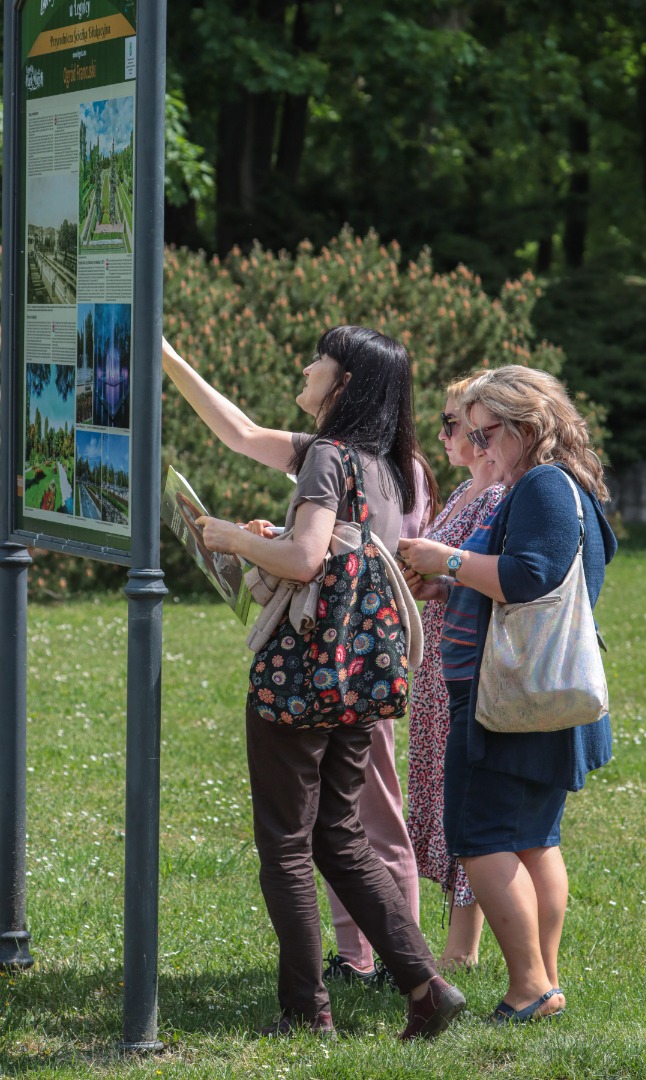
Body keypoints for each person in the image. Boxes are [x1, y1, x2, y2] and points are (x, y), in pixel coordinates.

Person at [162, 327, 466, 1040]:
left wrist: (232, 537)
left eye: (319, 359)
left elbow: (302, 560)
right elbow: (239, 433)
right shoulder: (392, 467)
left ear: (346, 383)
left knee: (287, 846)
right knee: (341, 838)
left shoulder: (327, 458)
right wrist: (169, 356)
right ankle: (426, 986)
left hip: (302, 678)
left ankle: (307, 1015)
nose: (307, 365)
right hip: (362, 678)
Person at [398, 365, 616, 1024]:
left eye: (486, 431)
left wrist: (447, 562)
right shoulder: (561, 484)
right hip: (533, 697)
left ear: (526, 427)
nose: (478, 443)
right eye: (469, 431)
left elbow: (529, 577)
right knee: (532, 840)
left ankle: (530, 986)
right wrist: (451, 585)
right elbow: (522, 581)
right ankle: (541, 981)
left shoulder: (544, 486)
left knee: (482, 836)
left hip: (510, 702)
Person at [322, 452, 438, 987]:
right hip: (334, 656)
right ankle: (355, 955)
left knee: (375, 810)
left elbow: (378, 556)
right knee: (336, 816)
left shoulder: (392, 466)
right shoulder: (346, 457)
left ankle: (402, 956)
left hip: (364, 658)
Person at [404, 376, 505, 972]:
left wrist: (438, 573)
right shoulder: (467, 491)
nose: (444, 434)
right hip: (439, 661)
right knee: (440, 795)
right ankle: (450, 943)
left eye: (454, 423)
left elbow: (487, 575)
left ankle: (461, 951)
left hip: (467, 661)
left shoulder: (497, 496)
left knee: (464, 798)